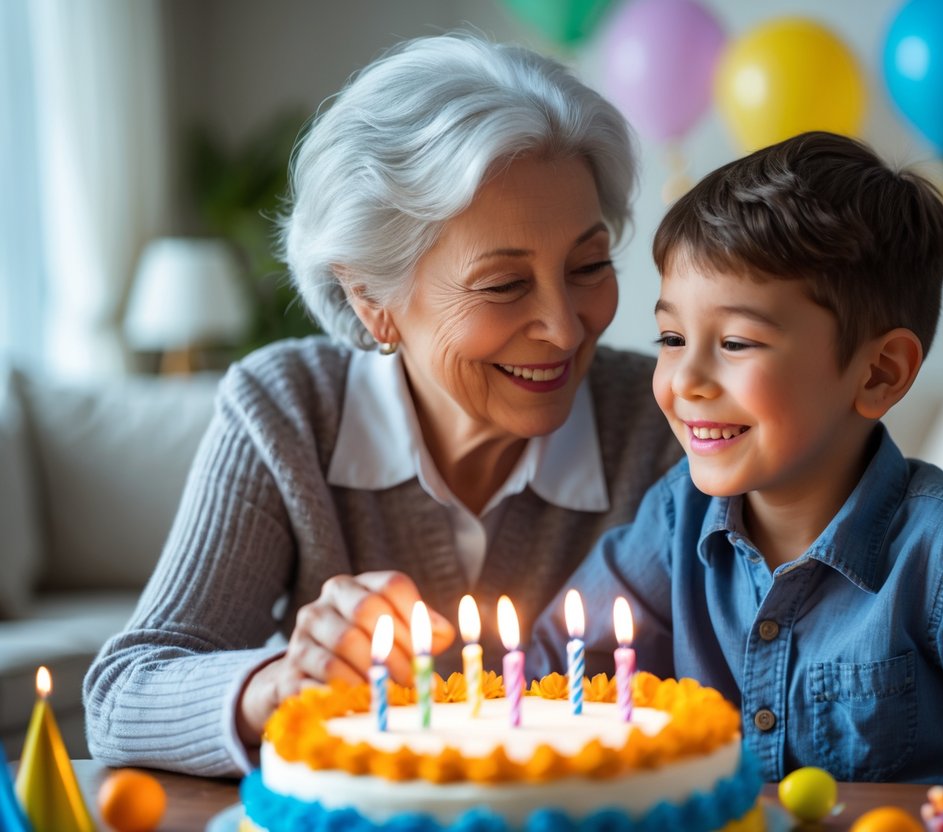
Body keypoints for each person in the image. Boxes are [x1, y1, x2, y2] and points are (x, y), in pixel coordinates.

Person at [83, 33, 682, 777]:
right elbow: (121, 696)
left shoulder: (665, 421)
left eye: (588, 266)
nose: (565, 327)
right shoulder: (290, 411)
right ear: (374, 301)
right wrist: (279, 684)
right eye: (503, 285)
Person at [527, 131, 943, 788]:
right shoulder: (675, 521)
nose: (685, 378)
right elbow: (545, 679)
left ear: (879, 374)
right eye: (670, 336)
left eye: (737, 342)